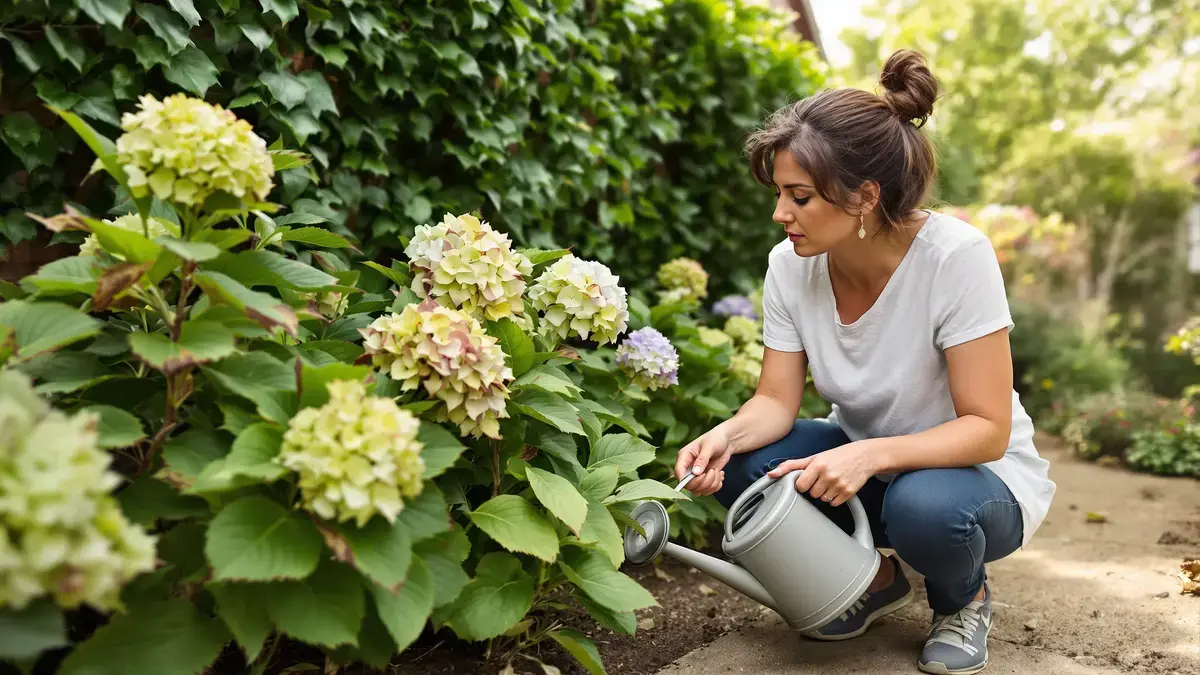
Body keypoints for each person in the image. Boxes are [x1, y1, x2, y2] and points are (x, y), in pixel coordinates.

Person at [673, 49, 1056, 675]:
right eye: (779, 193)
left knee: (923, 508)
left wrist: (871, 455)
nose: (780, 214)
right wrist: (724, 436)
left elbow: (988, 428)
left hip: (977, 480)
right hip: (865, 461)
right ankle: (875, 580)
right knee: (746, 467)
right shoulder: (788, 267)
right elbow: (775, 401)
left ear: (865, 196)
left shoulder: (955, 258)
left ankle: (963, 600)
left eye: (800, 196)